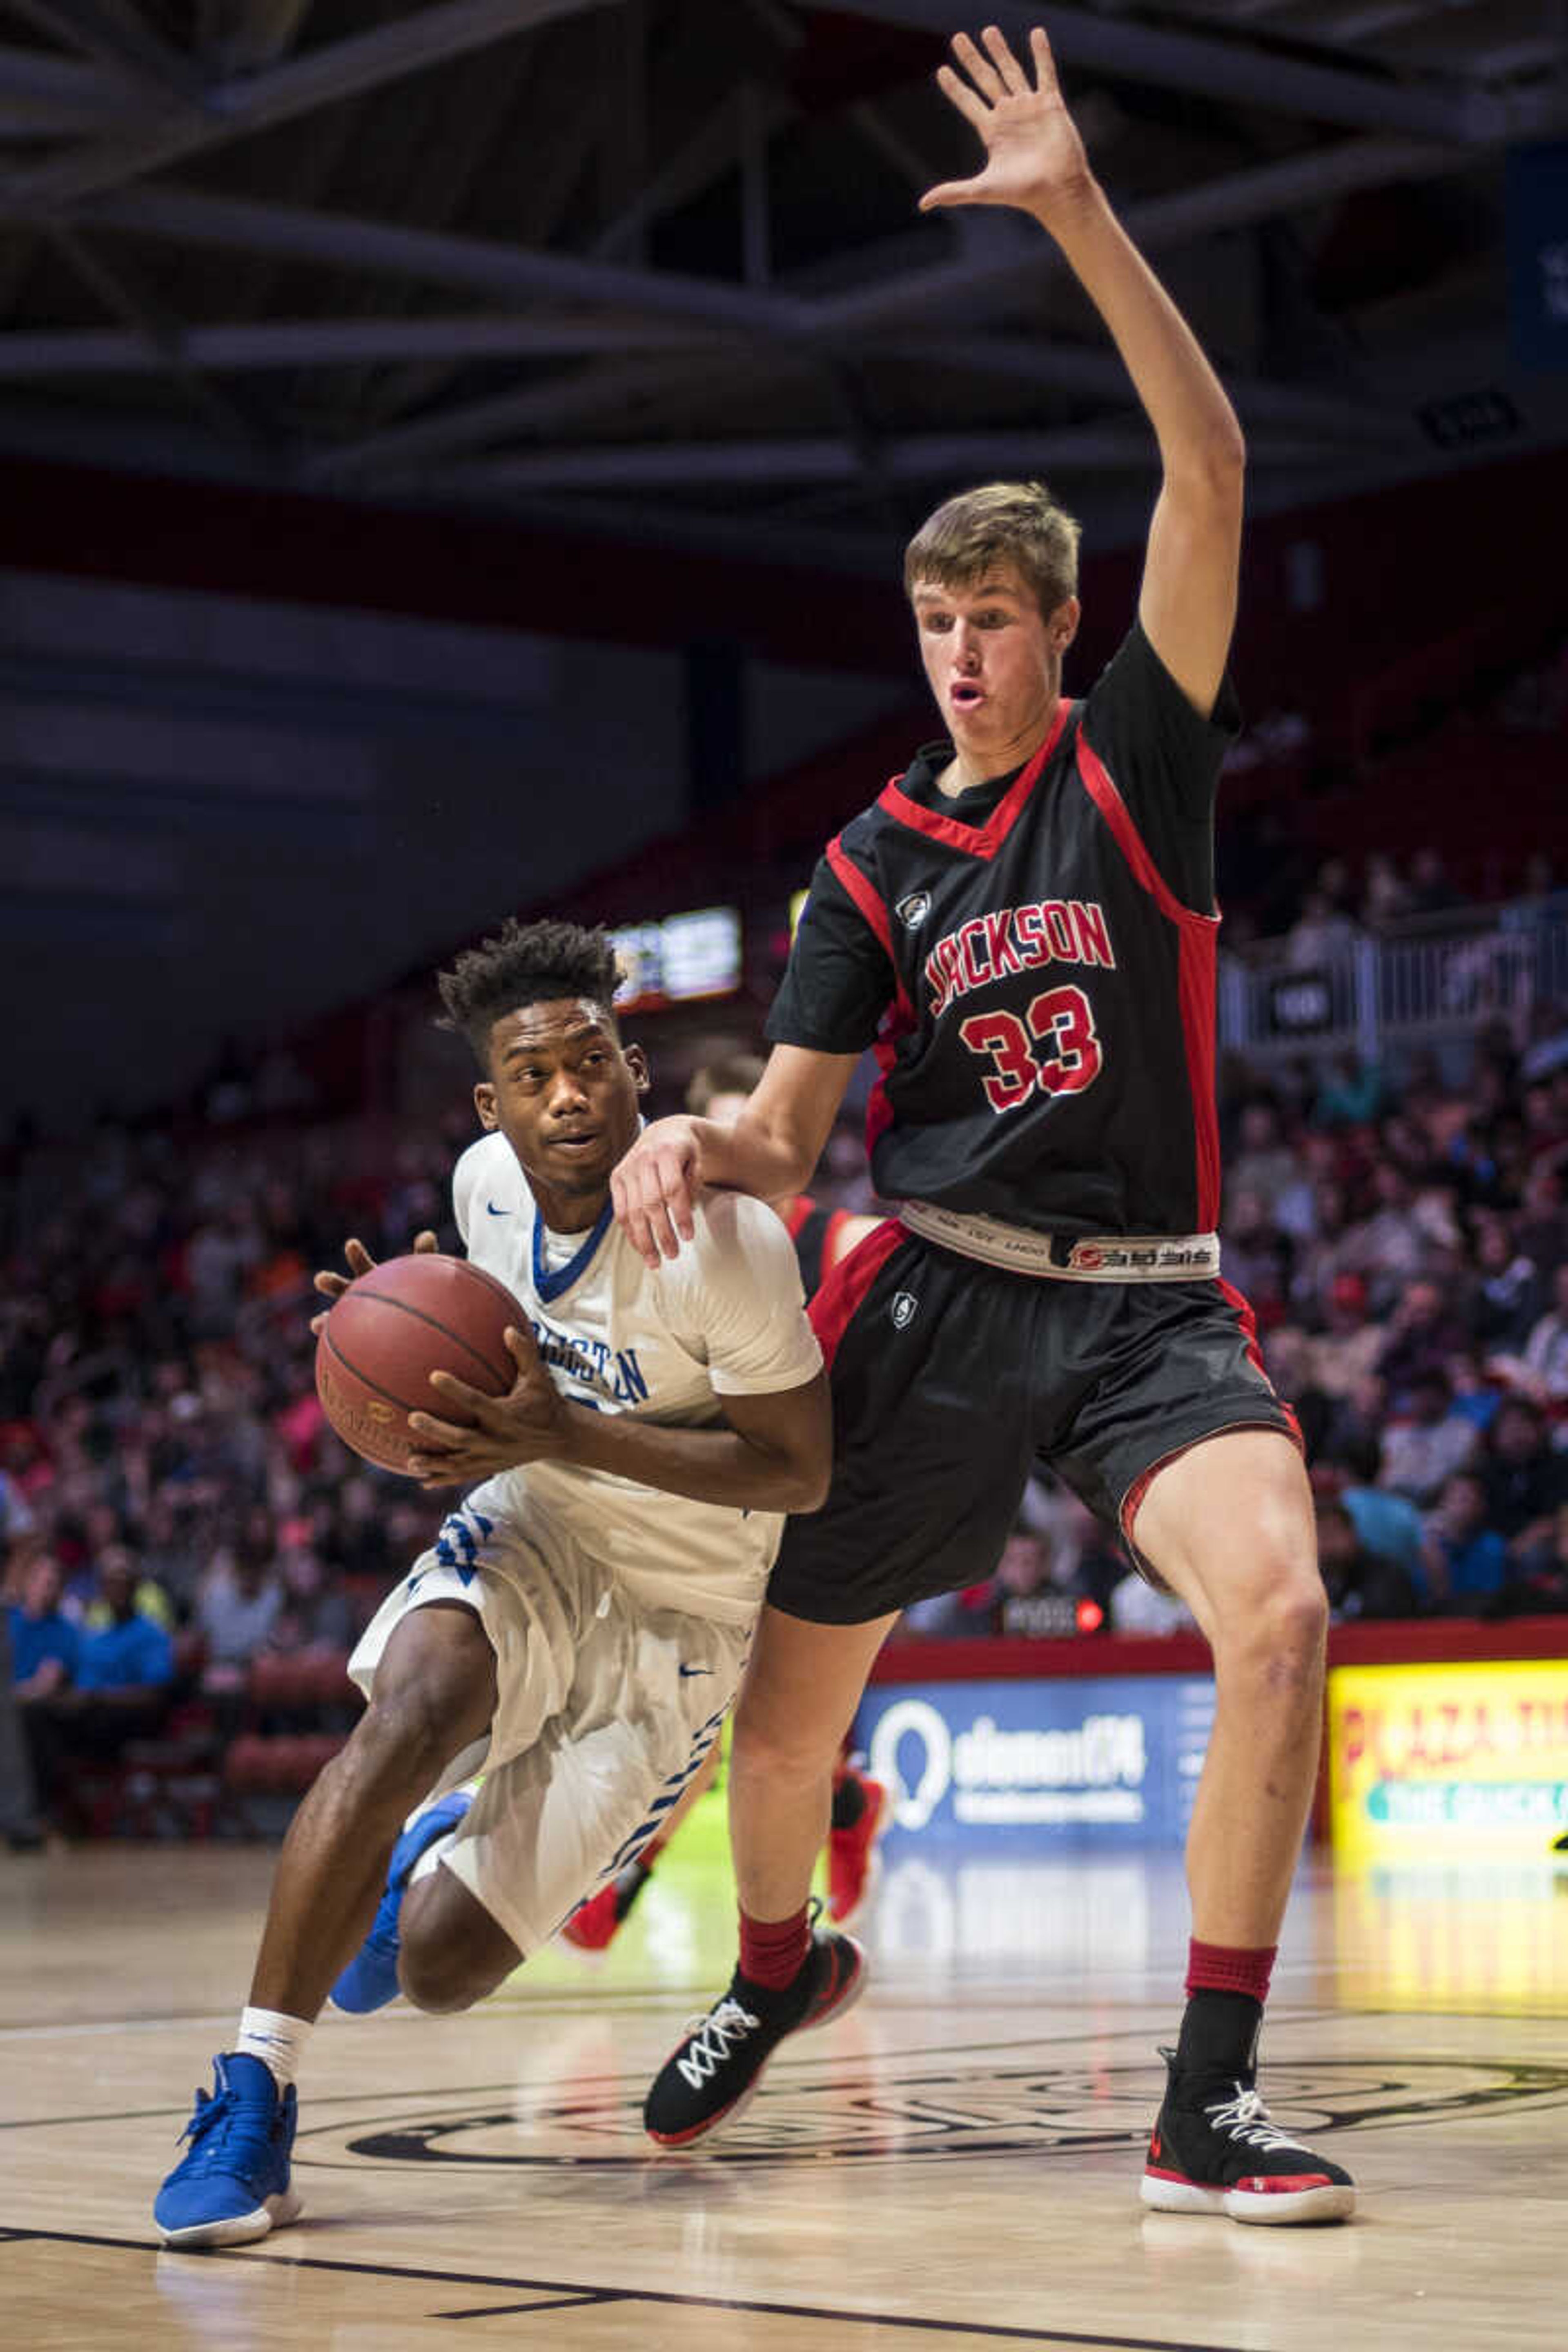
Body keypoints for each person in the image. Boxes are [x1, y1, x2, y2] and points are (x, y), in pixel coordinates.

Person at [612, 24, 1354, 2223]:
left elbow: (1207, 467)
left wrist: (1077, 212)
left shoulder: (1137, 767)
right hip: (936, 1298)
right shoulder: (863, 865)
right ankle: (771, 1965)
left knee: (1287, 1615)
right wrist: (687, 1140)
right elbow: (792, 1135)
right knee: (779, 1712)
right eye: (932, 625)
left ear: (1062, 635)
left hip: (1144, 1312)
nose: (956, 657)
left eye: (993, 625)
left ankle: (1201, 2096)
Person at [152, 918, 833, 2249]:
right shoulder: (481, 1190)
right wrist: (396, 1364)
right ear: (492, 1103)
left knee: (440, 1968)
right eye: (535, 1076)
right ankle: (251, 2090)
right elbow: (487, 1371)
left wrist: (564, 1433)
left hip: (686, 1616)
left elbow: (800, 1471)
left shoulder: (732, 1245)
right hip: (534, 1523)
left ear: (636, 1070)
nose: (569, 1094)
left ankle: (424, 1844)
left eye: (591, 1063)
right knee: (411, 1706)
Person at [561, 1055, 887, 1951]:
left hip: (819, 1507)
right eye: (722, 1148)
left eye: (756, 1142)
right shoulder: (663, 1247)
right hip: (716, 1498)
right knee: (702, 1703)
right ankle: (847, 1800)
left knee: (724, 1703)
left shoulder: (849, 1242)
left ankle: (627, 1874)